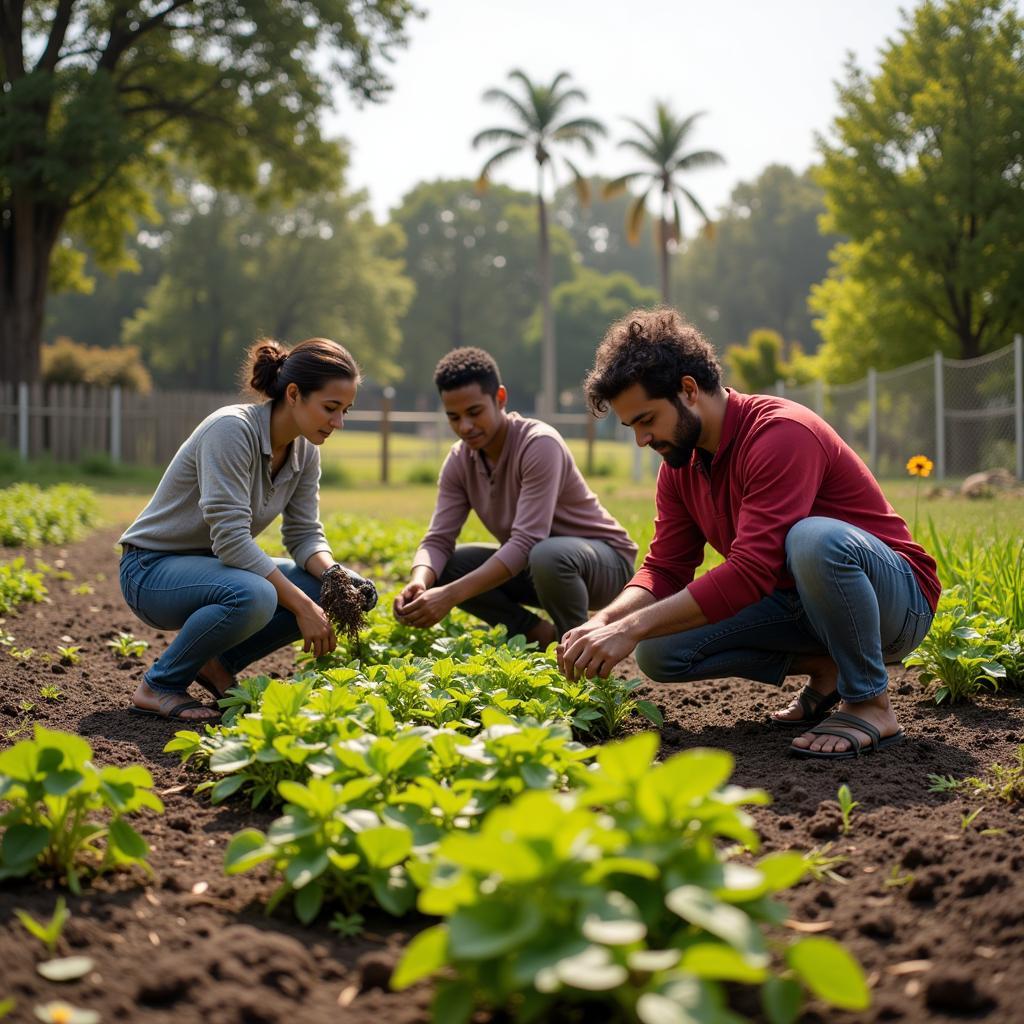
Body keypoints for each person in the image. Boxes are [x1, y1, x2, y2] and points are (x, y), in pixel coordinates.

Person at [557, 309, 940, 760]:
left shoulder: (780, 434)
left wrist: (630, 626)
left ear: (688, 390)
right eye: (632, 428)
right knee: (658, 650)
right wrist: (607, 621)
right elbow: (665, 567)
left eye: (647, 420)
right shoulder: (681, 464)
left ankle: (871, 702)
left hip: (896, 603)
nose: (642, 439)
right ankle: (831, 667)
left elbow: (751, 573)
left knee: (812, 539)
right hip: (805, 607)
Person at [119, 337, 377, 722]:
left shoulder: (305, 451)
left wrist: (334, 577)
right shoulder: (231, 431)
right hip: (151, 571)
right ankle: (159, 686)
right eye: (330, 408)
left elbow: (304, 534)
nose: (338, 422)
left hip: (214, 571)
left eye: (346, 411)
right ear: (294, 394)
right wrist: (304, 607)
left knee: (348, 590)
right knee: (256, 593)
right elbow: (231, 541)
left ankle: (216, 665)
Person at [393, 347, 638, 645]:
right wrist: (421, 581)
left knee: (547, 554)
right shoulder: (459, 460)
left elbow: (526, 542)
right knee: (448, 566)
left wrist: (449, 596)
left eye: (474, 412)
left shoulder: (539, 444)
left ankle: (577, 645)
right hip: (540, 567)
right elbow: (437, 539)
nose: (465, 427)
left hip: (604, 566)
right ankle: (536, 634)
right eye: (453, 417)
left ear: (500, 398)